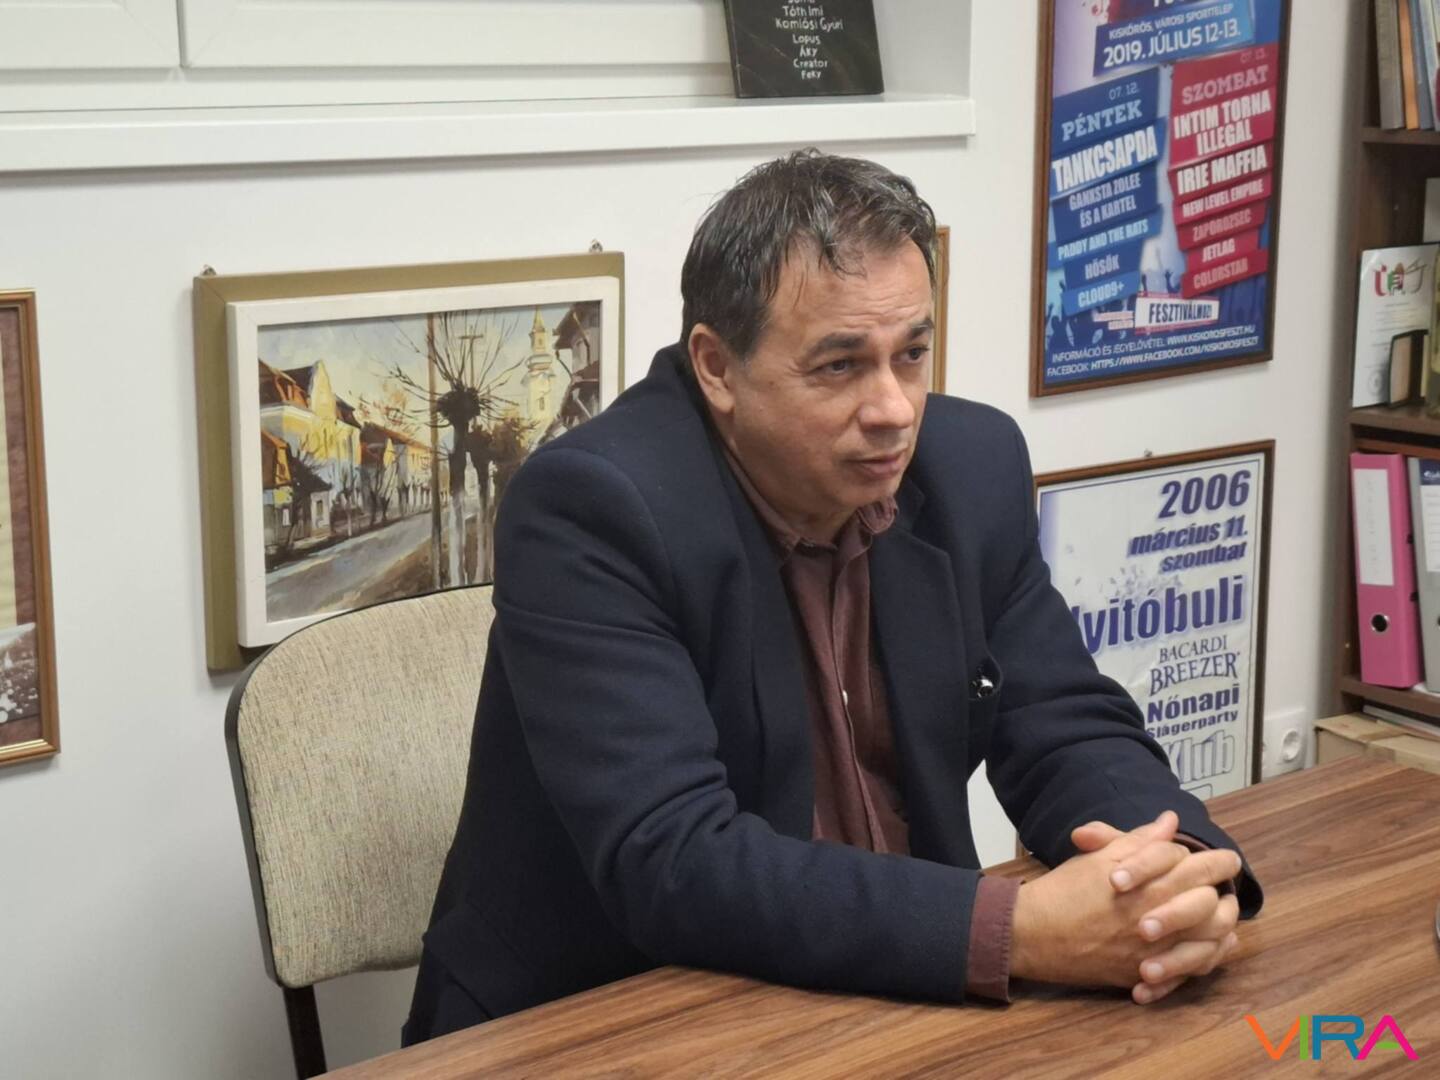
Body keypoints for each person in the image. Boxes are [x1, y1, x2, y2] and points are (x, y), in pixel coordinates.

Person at [403, 149, 1262, 1044]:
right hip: (609, 1017)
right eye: (841, 366)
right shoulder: (593, 507)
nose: (894, 408)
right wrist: (1020, 932)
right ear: (717, 367)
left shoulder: (971, 467)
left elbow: (1065, 722)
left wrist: (1172, 874)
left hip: (896, 995)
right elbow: (675, 857)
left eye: (912, 354)